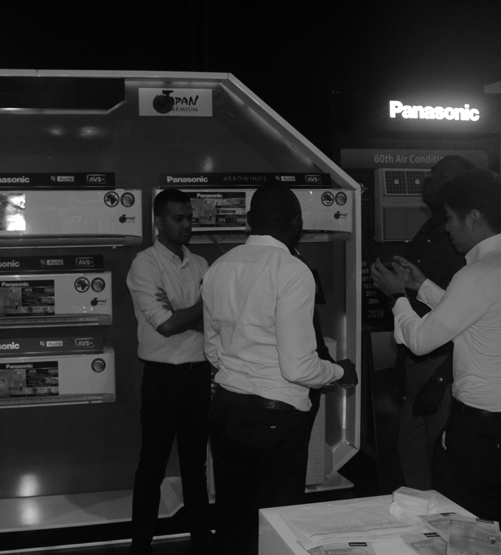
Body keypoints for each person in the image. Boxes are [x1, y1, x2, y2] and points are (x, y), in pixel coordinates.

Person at [371, 170, 501, 521]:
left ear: (473, 218)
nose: (446, 228)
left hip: (479, 432)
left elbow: (420, 341)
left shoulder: (476, 275)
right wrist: (422, 285)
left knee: (463, 525)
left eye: (449, 217)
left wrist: (397, 297)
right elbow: (476, 315)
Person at [202, 183, 358, 555]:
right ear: (296, 222)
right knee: (277, 530)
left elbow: (212, 350)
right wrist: (339, 372)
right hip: (274, 420)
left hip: (224, 411)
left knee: (233, 523)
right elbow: (297, 367)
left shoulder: (218, 268)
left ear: (249, 221)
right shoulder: (292, 271)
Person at [126, 188, 213, 555]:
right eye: (179, 219)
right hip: (162, 379)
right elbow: (165, 325)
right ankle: (140, 545)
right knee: (153, 465)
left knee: (196, 466)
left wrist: (184, 313)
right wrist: (201, 308)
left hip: (200, 375)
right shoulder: (145, 264)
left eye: (190, 217)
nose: (187, 224)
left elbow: (214, 322)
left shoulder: (202, 264)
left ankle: (202, 541)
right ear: (159, 223)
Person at [395, 155, 475, 490]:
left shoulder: (465, 247)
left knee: (444, 475)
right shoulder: (428, 231)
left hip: (442, 369)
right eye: (430, 172)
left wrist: (440, 379)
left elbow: (468, 324)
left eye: (439, 175)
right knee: (412, 466)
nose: (428, 179)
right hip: (417, 362)